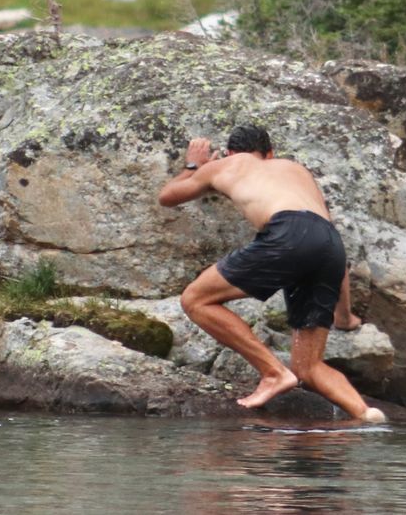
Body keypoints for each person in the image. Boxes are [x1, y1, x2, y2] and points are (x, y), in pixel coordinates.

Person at [157, 124, 386, 423]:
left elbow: (167, 196)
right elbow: (332, 251)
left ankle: (273, 373)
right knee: (308, 367)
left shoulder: (224, 165)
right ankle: (365, 414)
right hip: (329, 243)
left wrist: (195, 165)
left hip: (287, 234)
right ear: (270, 153)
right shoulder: (295, 170)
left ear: (229, 153)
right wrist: (344, 316)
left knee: (195, 299)